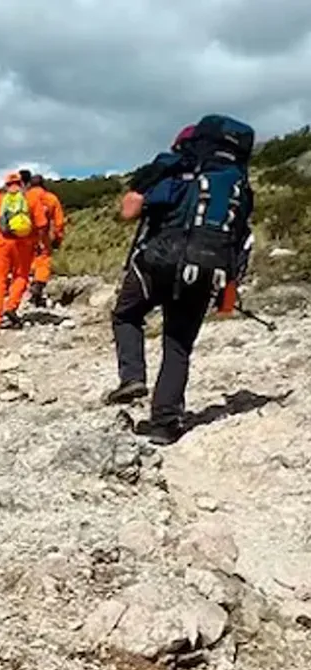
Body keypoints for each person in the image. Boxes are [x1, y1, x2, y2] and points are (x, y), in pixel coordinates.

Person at [106, 115, 255, 445]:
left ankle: (132, 378)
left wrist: (145, 183)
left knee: (126, 315)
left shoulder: (179, 173)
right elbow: (241, 242)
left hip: (158, 262)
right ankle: (164, 422)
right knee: (178, 345)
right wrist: (227, 298)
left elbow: (129, 211)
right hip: (208, 272)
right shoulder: (239, 188)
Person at [0, 171, 49, 329]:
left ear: (6, 185)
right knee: (21, 276)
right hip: (25, 245)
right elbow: (42, 225)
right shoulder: (31, 199)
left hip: (2, 244)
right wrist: (41, 242)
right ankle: (11, 307)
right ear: (22, 184)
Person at [29, 174, 66, 307]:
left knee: (26, 262)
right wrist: (58, 238)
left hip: (24, 236)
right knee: (43, 261)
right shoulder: (51, 198)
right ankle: (38, 284)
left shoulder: (24, 197)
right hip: (43, 236)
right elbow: (59, 222)